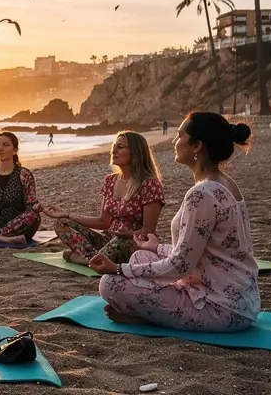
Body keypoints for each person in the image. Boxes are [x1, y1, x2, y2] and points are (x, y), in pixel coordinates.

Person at [91, 114, 258, 332]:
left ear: (197, 145)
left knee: (110, 284)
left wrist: (119, 268)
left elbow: (181, 265)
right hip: (239, 298)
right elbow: (202, 252)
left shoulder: (203, 193)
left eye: (179, 136)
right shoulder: (224, 183)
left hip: (222, 308)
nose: (174, 141)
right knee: (141, 255)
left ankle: (148, 318)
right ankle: (152, 312)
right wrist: (156, 247)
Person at [43, 131, 164, 265]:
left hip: (133, 243)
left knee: (120, 242)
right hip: (108, 241)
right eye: (114, 147)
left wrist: (129, 234)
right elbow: (103, 222)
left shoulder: (149, 184)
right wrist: (67, 214)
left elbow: (149, 230)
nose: (114, 151)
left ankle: (87, 258)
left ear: (135, 152)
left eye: (120, 147)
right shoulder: (110, 181)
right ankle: (93, 258)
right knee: (62, 223)